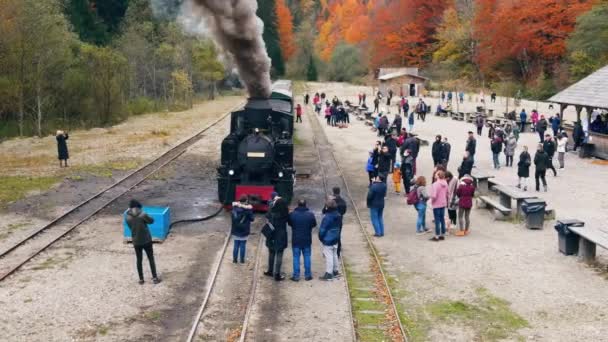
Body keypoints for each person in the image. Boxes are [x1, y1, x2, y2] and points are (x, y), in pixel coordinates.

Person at [125, 199, 160, 284]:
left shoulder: (127, 217)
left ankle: (141, 279)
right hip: (146, 240)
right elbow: (151, 221)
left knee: (139, 259)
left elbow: (131, 228)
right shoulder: (142, 214)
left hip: (136, 241)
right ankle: (155, 278)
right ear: (138, 206)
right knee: (150, 258)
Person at [288, 199, 317, 281]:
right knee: (307, 256)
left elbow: (289, 223)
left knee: (296, 257)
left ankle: (296, 275)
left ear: (298, 205)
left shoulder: (292, 214)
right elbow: (314, 224)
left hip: (296, 239)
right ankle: (308, 275)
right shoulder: (310, 215)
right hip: (307, 239)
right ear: (305, 205)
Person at [264, 196, 289, 281]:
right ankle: (277, 274)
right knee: (279, 253)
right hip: (281, 235)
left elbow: (266, 217)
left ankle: (270, 271)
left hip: (271, 234)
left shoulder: (271, 211)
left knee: (271, 252)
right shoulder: (285, 213)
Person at [319, 199, 341, 281]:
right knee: (335, 254)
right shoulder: (338, 215)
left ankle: (328, 273)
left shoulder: (327, 217)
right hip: (335, 237)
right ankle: (336, 271)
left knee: (329, 256)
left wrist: (321, 237)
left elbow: (322, 229)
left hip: (328, 238)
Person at [231, 196, 254, 264]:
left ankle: (235, 260)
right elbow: (252, 219)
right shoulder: (248, 210)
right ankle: (242, 260)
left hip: (235, 229)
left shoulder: (234, 208)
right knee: (242, 245)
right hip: (244, 230)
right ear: (246, 201)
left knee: (236, 244)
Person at [325, 187, 347, 257]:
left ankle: (331, 249)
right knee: (338, 235)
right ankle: (338, 251)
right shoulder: (343, 201)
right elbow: (344, 211)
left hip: (330, 221)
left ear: (333, 192)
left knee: (330, 234)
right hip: (339, 220)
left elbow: (324, 211)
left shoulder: (330, 202)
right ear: (339, 192)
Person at [430, 171, 448, 241]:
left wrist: (432, 202)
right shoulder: (445, 183)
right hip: (443, 203)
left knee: (437, 220)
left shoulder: (435, 184)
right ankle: (442, 234)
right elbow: (447, 193)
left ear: (438, 176)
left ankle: (436, 236)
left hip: (437, 204)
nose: (435, 174)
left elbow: (434, 196)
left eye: (436, 174)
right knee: (442, 219)